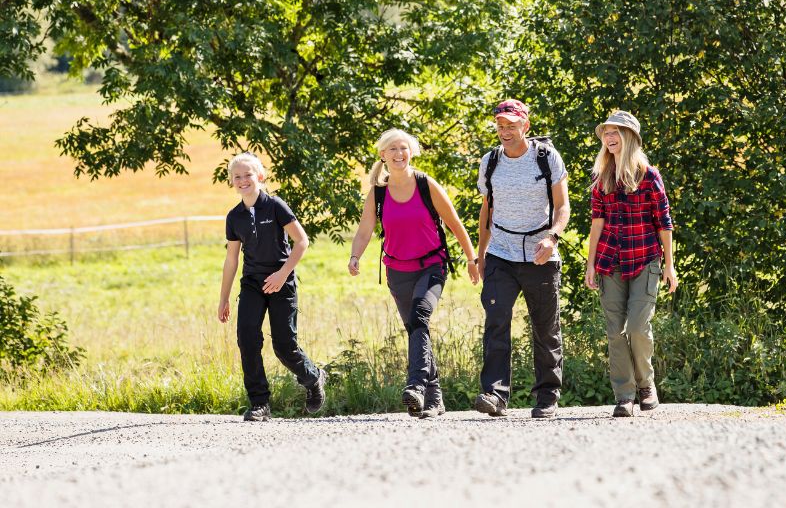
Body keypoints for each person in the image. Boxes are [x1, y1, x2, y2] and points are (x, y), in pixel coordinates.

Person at [348, 129, 480, 418]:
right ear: (383, 155)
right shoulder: (378, 193)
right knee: (416, 329)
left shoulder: (425, 184)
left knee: (420, 315)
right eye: (392, 149)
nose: (399, 154)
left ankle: (416, 386)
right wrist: (355, 255)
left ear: (412, 152)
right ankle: (434, 399)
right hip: (397, 270)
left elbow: (455, 224)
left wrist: (472, 258)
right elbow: (364, 230)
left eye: (404, 148)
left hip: (431, 266)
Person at [474, 99, 570, 419]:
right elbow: (487, 210)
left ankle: (547, 396)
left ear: (525, 126)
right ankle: (496, 394)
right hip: (501, 253)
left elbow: (562, 206)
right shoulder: (490, 162)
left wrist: (552, 236)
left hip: (540, 255)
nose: (505, 131)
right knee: (496, 321)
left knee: (545, 329)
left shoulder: (546, 159)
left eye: (511, 126)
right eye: (500, 126)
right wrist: (480, 254)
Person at [218, 152, 326, 421]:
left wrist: (282, 274)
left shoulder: (276, 206)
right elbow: (232, 259)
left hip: (281, 281)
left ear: (260, 176)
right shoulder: (234, 217)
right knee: (247, 338)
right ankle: (259, 403)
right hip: (252, 283)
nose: (243, 180)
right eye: (237, 177)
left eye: (248, 175)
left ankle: (313, 378)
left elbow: (301, 242)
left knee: (284, 345)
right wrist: (224, 299)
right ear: (232, 181)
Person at [584, 111, 677, 418]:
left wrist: (669, 265)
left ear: (630, 138)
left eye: (616, 132)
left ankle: (646, 385)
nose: (609, 138)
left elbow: (663, 222)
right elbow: (597, 224)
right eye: (606, 133)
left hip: (646, 259)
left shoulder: (649, 175)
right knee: (615, 332)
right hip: (610, 261)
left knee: (637, 327)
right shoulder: (602, 178)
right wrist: (590, 265)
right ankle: (624, 395)